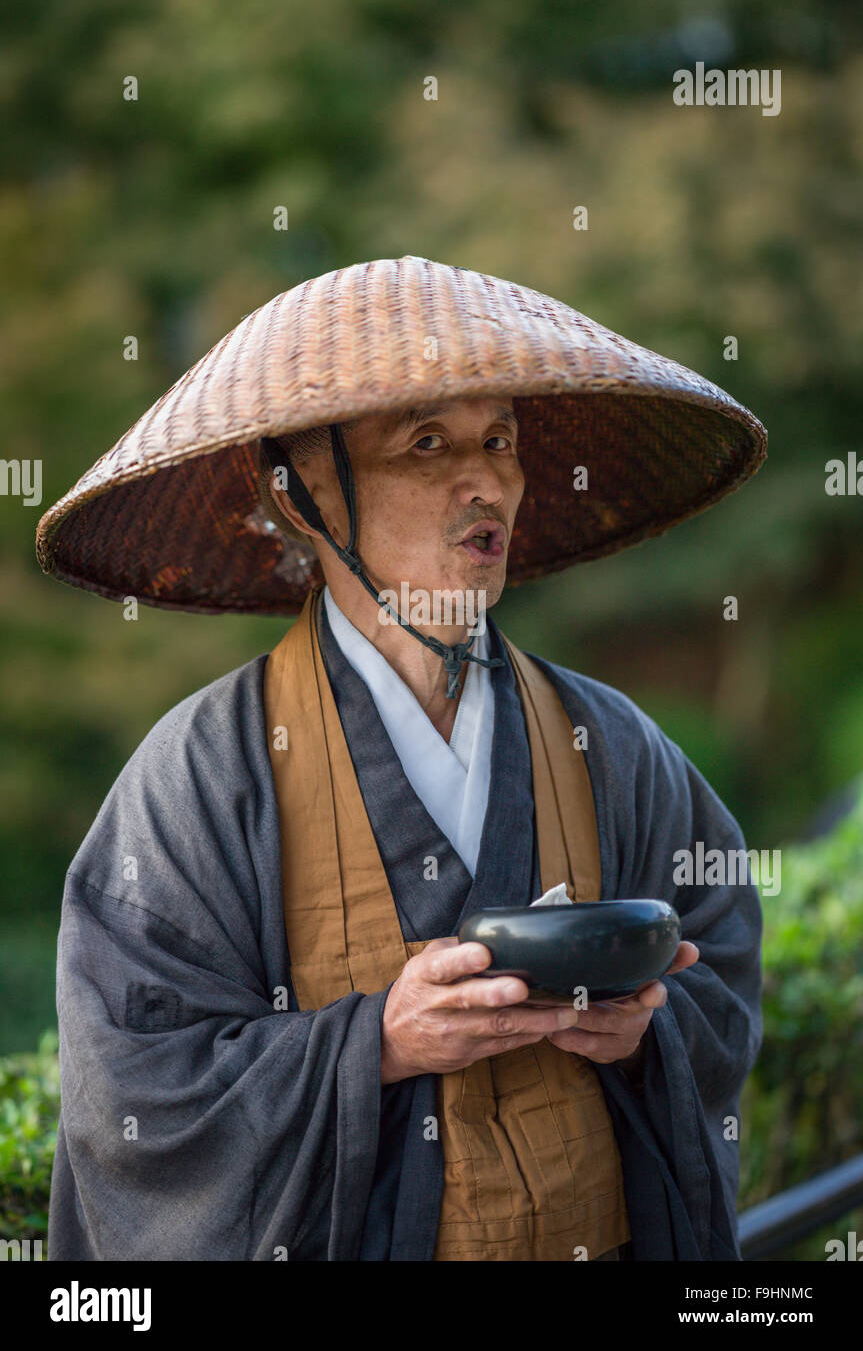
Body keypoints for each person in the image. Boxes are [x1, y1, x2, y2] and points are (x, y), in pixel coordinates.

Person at [38, 255, 766, 1261]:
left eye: (500, 439)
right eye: (426, 443)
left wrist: (649, 1028)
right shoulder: (203, 775)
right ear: (301, 496)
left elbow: (717, 951)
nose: (488, 482)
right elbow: (135, 1093)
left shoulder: (609, 740)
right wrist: (374, 1043)